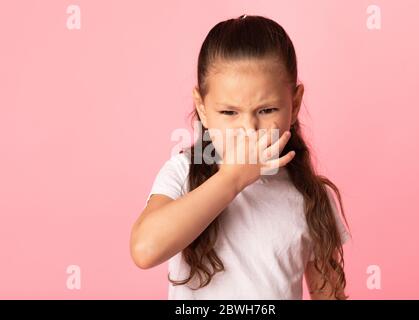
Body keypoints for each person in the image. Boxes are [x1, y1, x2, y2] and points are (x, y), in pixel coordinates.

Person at [130, 14, 351, 300]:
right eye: (229, 112)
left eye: (267, 110)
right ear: (203, 108)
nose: (249, 129)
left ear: (294, 104)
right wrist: (232, 179)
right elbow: (145, 250)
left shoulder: (311, 196)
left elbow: (329, 294)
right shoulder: (182, 173)